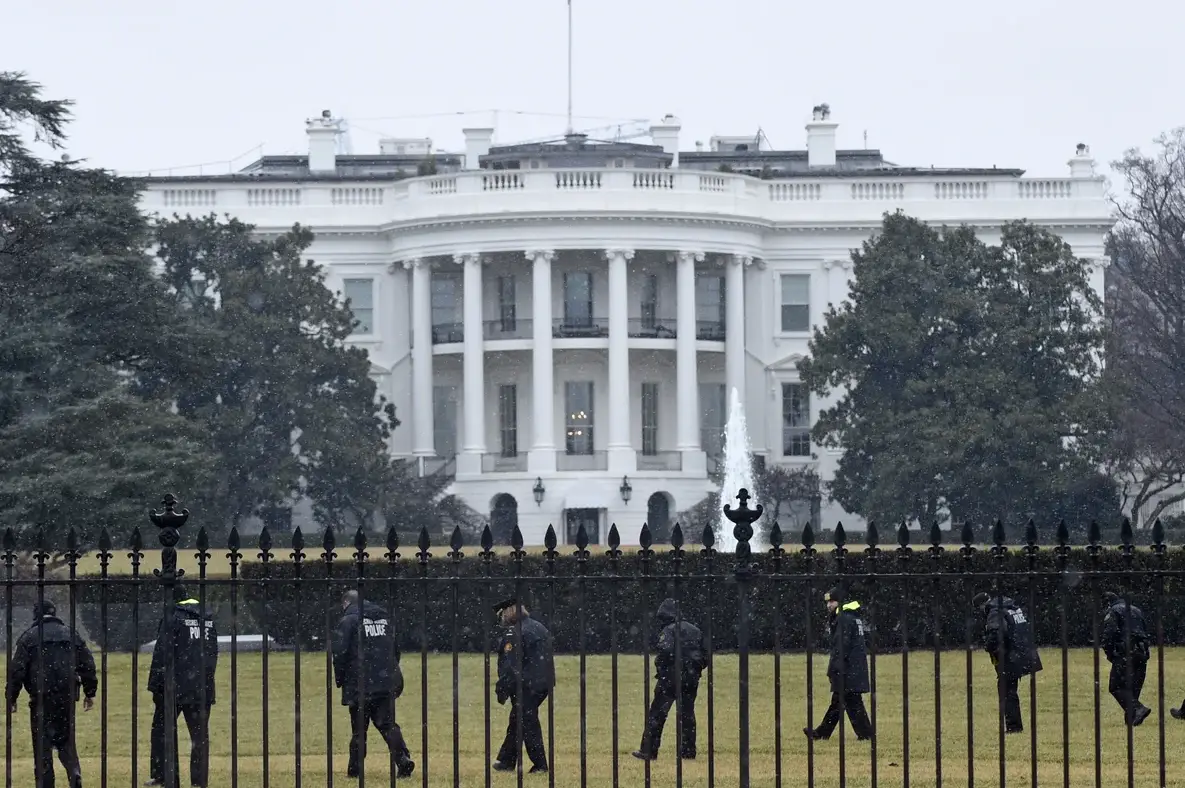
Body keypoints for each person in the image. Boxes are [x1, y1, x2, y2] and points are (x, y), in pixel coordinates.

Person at [5, 600, 96, 788]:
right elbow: (87, 664)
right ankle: (74, 771)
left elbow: (17, 670)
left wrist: (11, 697)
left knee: (42, 746)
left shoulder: (29, 637)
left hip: (41, 697)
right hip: (67, 695)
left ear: (36, 615)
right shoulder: (71, 634)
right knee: (66, 740)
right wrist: (90, 691)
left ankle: (46, 783)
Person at [332, 590, 414, 779]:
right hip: (385, 680)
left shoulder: (349, 621)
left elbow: (340, 653)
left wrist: (340, 678)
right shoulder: (384, 617)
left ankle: (355, 769)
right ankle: (402, 760)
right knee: (388, 724)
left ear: (346, 603)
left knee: (359, 729)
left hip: (359, 682)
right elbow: (395, 648)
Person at [146, 587, 218, 788]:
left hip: (174, 685)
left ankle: (165, 776)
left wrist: (156, 686)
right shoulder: (207, 617)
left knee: (162, 730)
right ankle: (199, 781)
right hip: (201, 684)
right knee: (199, 736)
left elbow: (161, 653)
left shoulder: (173, 617)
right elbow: (213, 652)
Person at [633, 598, 707, 761]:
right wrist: (695, 668)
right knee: (687, 714)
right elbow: (705, 654)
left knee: (657, 714)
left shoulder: (668, 630)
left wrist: (662, 667)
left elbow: (665, 650)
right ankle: (688, 751)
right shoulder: (695, 630)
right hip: (691, 678)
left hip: (670, 678)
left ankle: (648, 750)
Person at [493, 597, 555, 774]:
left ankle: (540, 765)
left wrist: (502, 688)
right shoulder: (537, 626)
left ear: (508, 613)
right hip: (542, 684)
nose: (502, 619)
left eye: (502, 614)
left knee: (528, 723)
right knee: (517, 719)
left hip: (526, 685)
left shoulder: (514, 633)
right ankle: (506, 760)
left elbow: (510, 666)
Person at [804, 587, 874, 742]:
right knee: (841, 701)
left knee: (849, 702)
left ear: (840, 602)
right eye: (828, 602)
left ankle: (865, 734)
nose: (829, 605)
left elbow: (840, 647)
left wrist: (833, 669)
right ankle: (822, 732)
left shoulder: (843, 619)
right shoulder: (851, 617)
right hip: (854, 667)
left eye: (832, 601)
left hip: (847, 669)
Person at [974, 592, 1042, 734]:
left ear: (981, 605)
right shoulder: (1010, 605)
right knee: (1010, 689)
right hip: (1022, 651)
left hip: (1010, 655)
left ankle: (1014, 727)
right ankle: (1014, 726)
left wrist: (988, 646)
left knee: (1006, 691)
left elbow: (996, 632)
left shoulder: (994, 611)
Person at [1101, 592, 1152, 726]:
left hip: (1125, 652)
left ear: (1107, 603)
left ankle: (1138, 709)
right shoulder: (1136, 610)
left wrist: (1110, 653)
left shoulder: (1113, 611)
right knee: (1133, 687)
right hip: (1141, 651)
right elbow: (1145, 632)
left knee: (1116, 686)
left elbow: (1109, 634)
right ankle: (1132, 718)